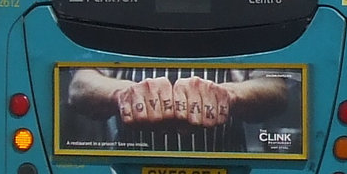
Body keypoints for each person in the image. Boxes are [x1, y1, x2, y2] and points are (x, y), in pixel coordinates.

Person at [63, 66, 297, 153]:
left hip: (225, 169)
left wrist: (229, 95)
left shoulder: (244, 9)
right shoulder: (119, 10)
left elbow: (275, 87)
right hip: (130, 170)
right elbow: (80, 86)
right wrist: (123, 94)